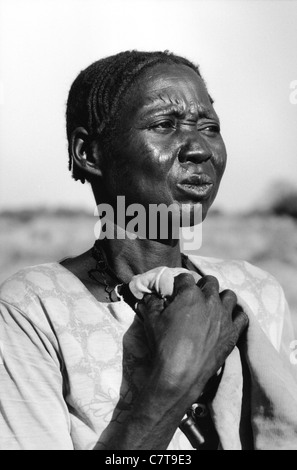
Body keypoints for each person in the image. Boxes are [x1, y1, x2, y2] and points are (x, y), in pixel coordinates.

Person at [0, 50, 297, 451]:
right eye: (165, 125)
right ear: (88, 153)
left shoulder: (257, 293)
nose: (199, 148)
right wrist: (171, 384)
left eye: (210, 127)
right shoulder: (32, 311)